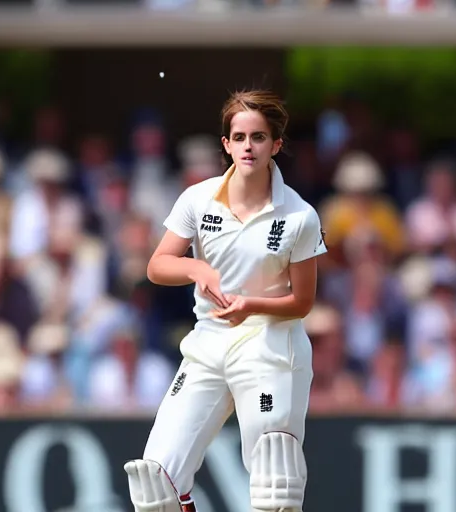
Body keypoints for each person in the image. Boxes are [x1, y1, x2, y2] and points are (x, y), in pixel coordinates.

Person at [124, 89, 328, 512]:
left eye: (258, 137)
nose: (248, 147)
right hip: (208, 344)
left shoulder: (299, 215)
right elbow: (158, 265)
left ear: (276, 144)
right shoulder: (198, 199)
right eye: (239, 137)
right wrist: (196, 268)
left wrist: (251, 305)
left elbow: (302, 301)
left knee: (276, 481)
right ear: (226, 143)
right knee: (154, 485)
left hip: (271, 347)